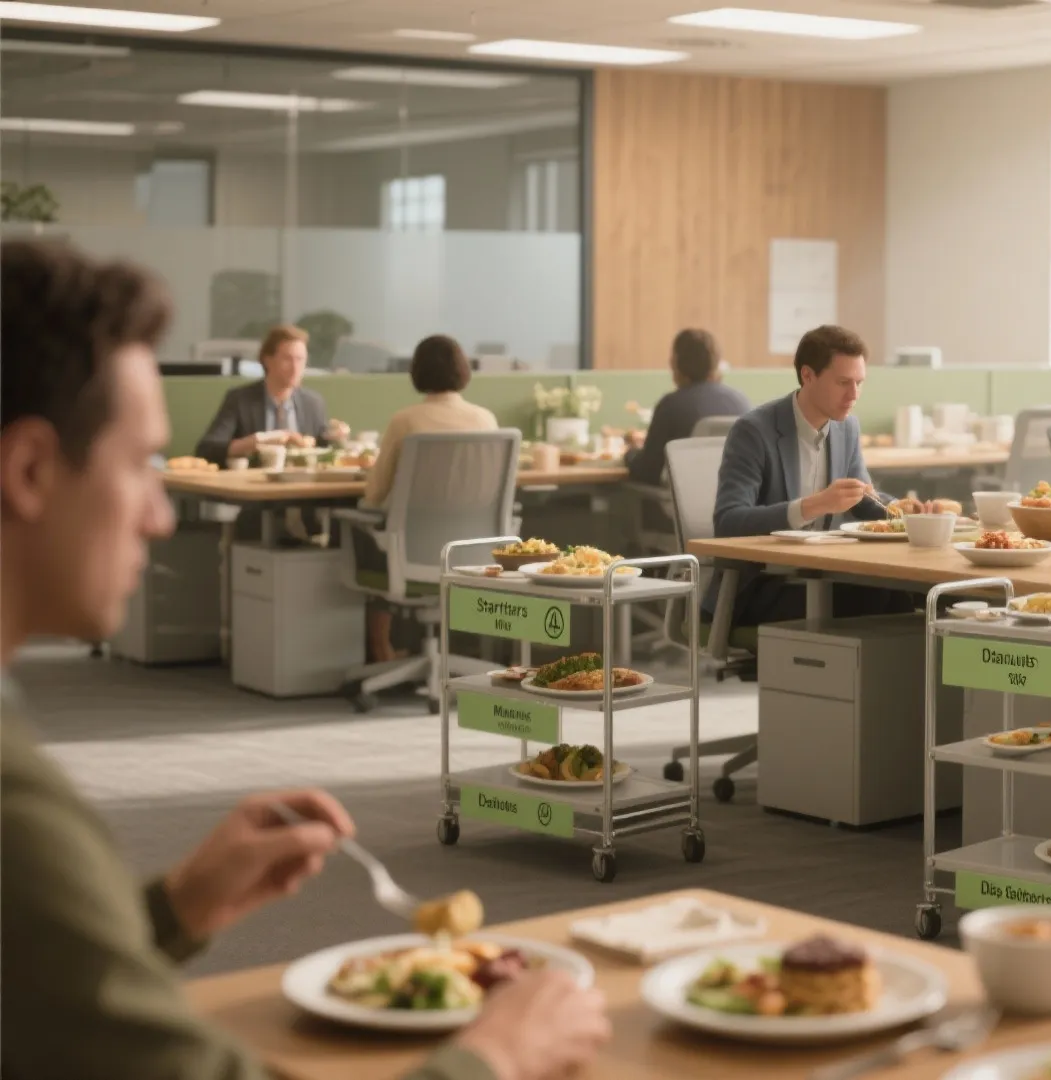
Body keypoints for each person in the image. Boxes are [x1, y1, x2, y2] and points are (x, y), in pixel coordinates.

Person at [1, 240, 609, 1080]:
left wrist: (177, 907)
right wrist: (494, 1056)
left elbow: (35, 997)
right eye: (139, 463)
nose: (160, 516)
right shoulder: (16, 806)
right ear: (31, 468)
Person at [712, 324, 904, 628]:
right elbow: (728, 522)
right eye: (843, 382)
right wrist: (812, 506)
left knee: (904, 596)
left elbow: (864, 499)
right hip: (763, 585)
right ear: (807, 375)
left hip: (821, 576)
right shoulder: (754, 431)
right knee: (877, 599)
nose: (854, 394)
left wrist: (902, 510)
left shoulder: (846, 428)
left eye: (859, 383)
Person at [356, 335, 500, 661]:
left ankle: (382, 651)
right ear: (463, 370)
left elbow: (374, 494)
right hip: (473, 556)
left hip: (412, 555)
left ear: (416, 372)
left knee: (370, 531)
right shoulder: (486, 420)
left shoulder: (406, 421)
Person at [193, 324, 350, 464]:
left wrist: (337, 438)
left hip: (303, 489)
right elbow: (207, 449)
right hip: (254, 488)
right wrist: (259, 441)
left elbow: (323, 448)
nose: (295, 368)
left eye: (300, 360)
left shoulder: (313, 403)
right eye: (287, 359)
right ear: (268, 360)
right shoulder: (240, 400)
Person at [624, 328, 750, 487]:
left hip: (677, 507)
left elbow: (648, 471)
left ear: (676, 363)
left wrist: (630, 454)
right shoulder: (741, 402)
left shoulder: (671, 405)